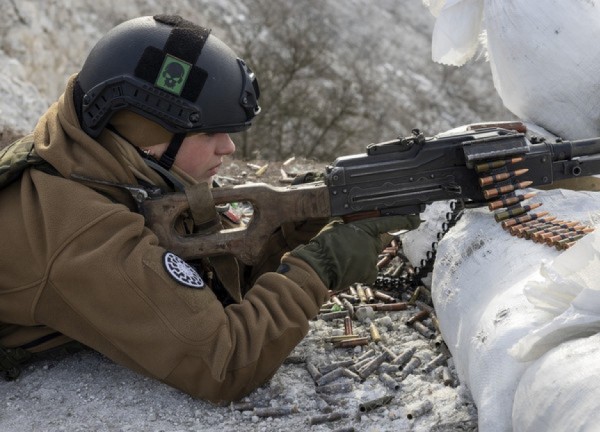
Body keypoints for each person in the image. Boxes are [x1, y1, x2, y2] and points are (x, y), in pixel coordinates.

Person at [0, 15, 420, 404]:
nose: (229, 147)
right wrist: (322, 264)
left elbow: (212, 284)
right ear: (148, 133)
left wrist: (294, 229)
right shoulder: (78, 229)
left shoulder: (117, 167)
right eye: (209, 131)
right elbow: (225, 361)